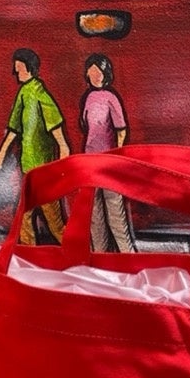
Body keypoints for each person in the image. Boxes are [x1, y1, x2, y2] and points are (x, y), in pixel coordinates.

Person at [0, 47, 71, 245]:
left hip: (43, 170)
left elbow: (56, 128)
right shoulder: (23, 93)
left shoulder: (40, 94)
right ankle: (29, 253)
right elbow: (13, 129)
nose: (15, 72)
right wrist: (1, 155)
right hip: (28, 168)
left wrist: (64, 151)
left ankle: (75, 252)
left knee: (54, 221)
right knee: (24, 217)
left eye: (18, 68)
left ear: (28, 68)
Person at [79, 53, 132, 253]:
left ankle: (127, 256)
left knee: (115, 213)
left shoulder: (111, 98)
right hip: (90, 163)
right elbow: (86, 128)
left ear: (106, 74)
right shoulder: (88, 98)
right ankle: (99, 256)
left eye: (99, 72)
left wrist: (117, 156)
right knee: (95, 214)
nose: (95, 76)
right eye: (92, 72)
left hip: (109, 163)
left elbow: (121, 130)